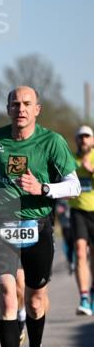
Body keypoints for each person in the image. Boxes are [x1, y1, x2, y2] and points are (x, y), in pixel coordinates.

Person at [0, 87, 80, 347]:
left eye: (26, 104)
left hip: (38, 226)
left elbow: (73, 185)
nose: (20, 109)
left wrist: (44, 187)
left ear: (37, 109)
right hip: (2, 227)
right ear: (7, 108)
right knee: (8, 296)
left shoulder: (52, 142)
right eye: (14, 104)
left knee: (35, 302)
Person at [69, 124, 94, 315]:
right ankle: (84, 297)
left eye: (87, 136)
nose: (84, 140)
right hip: (78, 211)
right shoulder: (70, 160)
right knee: (80, 252)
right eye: (80, 137)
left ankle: (91, 291)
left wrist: (91, 170)